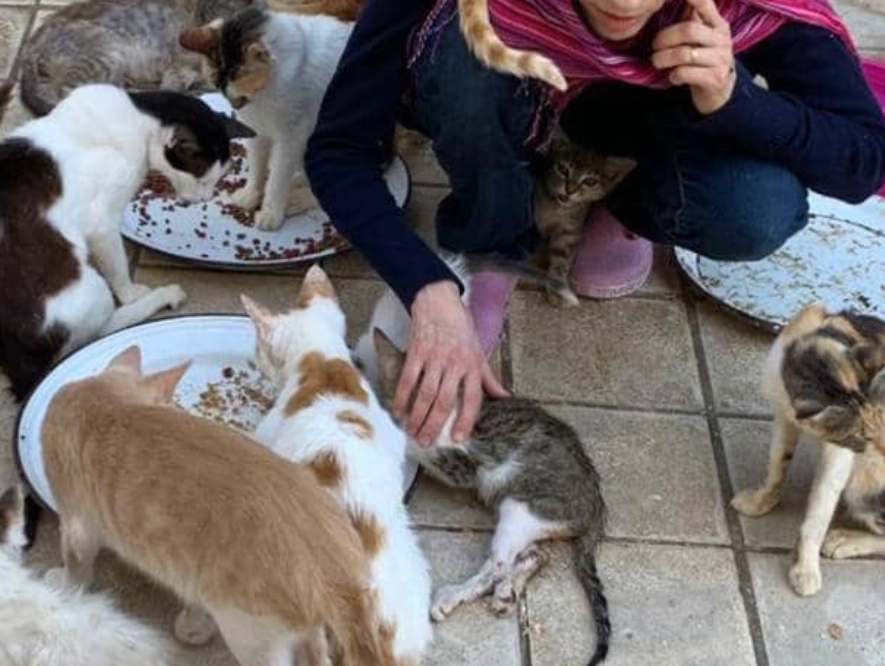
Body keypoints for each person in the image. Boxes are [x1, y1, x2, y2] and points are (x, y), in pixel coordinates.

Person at [304, 0, 885, 446]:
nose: (624, 4)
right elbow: (340, 148)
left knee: (756, 207)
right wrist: (428, 287)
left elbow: (865, 159)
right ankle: (490, 236)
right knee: (464, 57)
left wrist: (733, 99)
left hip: (633, 130)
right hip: (509, 93)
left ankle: (615, 201)